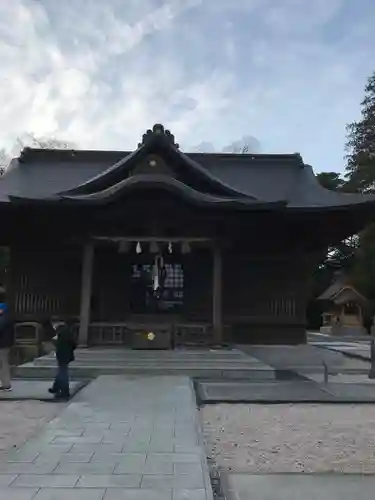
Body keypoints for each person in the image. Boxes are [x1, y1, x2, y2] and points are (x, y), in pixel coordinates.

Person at [49, 318, 77, 400]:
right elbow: (73, 343)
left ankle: (64, 391)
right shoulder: (67, 330)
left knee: (63, 373)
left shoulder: (61, 331)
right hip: (67, 354)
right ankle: (56, 387)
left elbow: (59, 343)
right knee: (62, 371)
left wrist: (55, 342)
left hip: (62, 354)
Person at [0, 302, 14, 392]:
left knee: (3, 364)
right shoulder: (7, 317)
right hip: (5, 344)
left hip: (2, 345)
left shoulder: (3, 318)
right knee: (3, 364)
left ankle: (6, 384)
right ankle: (5, 383)